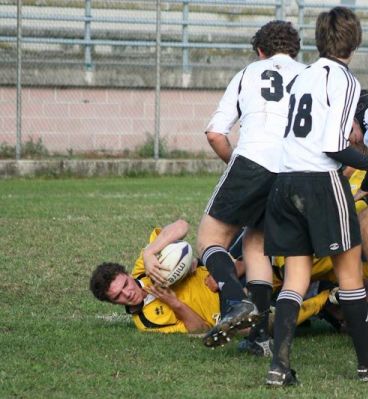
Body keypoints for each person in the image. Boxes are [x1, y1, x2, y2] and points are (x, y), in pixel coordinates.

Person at [263, 6, 368, 387]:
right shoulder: (345, 80)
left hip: (285, 182)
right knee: (349, 272)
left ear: (318, 40)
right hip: (320, 182)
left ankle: (279, 366)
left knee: (295, 277)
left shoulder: (301, 77)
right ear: (355, 41)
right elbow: (334, 146)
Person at [197, 21, 306, 348]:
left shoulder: (250, 72)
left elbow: (216, 133)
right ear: (295, 50)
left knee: (209, 239)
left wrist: (237, 166)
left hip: (254, 159)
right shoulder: (310, 74)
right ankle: (259, 337)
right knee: (256, 243)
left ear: (260, 51)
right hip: (295, 168)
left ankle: (234, 299)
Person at [89, 220, 221, 334]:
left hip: (222, 274)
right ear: (113, 303)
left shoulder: (144, 267)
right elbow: (202, 329)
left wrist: (149, 253)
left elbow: (182, 226)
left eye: (125, 284)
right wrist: (174, 303)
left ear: (129, 275)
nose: (127, 293)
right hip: (225, 309)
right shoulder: (147, 321)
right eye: (118, 296)